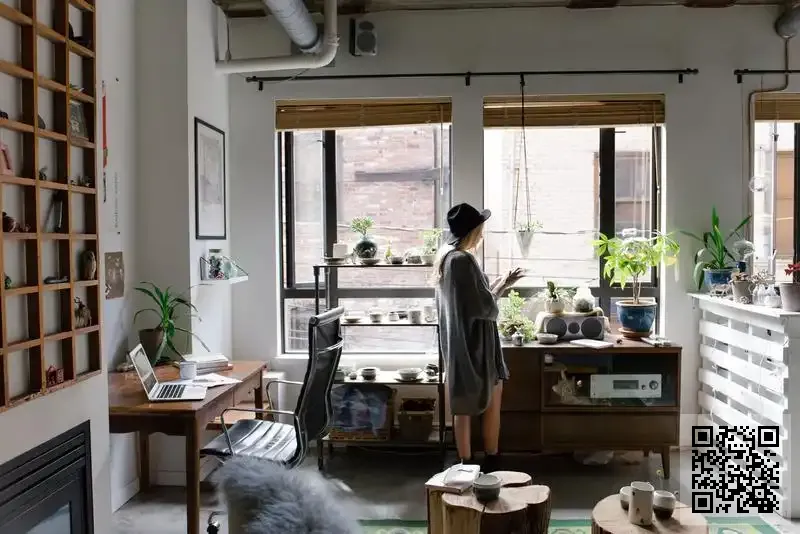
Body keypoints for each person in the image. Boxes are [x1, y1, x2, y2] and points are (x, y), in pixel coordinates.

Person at [433, 202, 524, 471]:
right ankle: (492, 458)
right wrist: (504, 285)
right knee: (492, 398)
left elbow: (474, 299)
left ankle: (466, 462)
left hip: (458, 343)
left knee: (462, 404)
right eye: (480, 229)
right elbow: (486, 308)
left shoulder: (446, 258)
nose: (482, 234)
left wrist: (499, 283)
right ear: (472, 231)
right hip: (476, 344)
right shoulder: (463, 260)